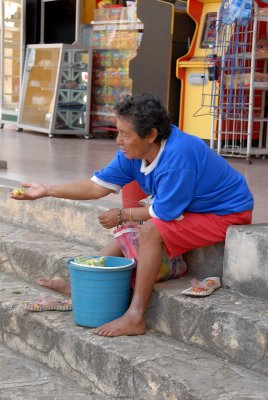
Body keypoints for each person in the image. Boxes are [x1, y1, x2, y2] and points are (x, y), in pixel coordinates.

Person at [11, 93, 254, 337]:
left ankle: (136, 316)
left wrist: (123, 214)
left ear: (150, 135)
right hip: (191, 208)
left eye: (125, 134)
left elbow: (164, 213)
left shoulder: (179, 156)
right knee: (134, 206)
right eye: (118, 132)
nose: (119, 140)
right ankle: (81, 284)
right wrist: (47, 191)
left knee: (150, 229)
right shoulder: (134, 153)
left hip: (226, 214)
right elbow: (97, 187)